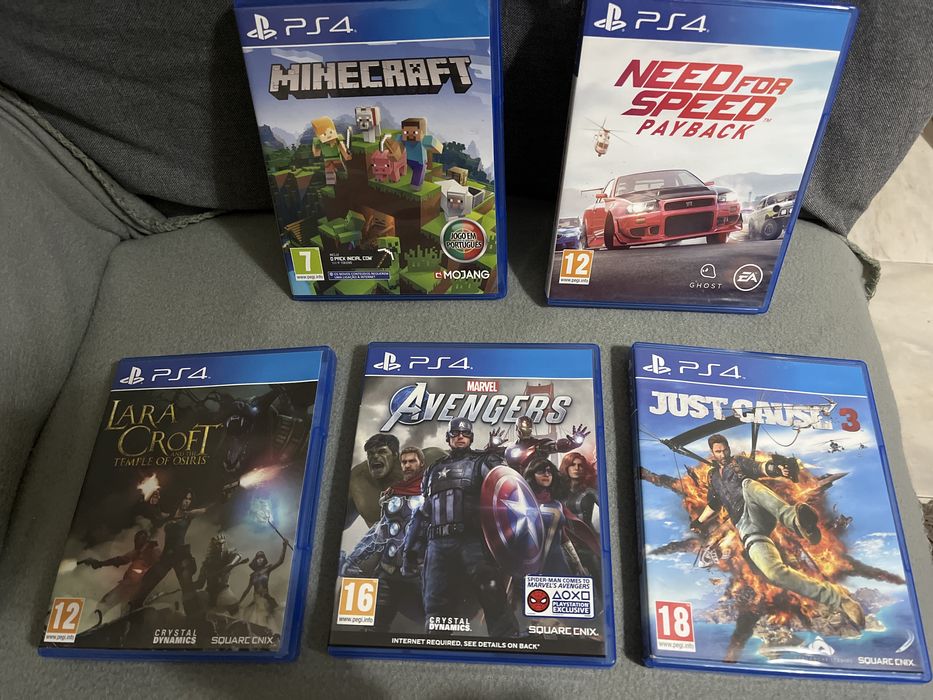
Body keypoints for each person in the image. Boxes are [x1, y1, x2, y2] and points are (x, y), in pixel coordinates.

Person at [692, 434, 865, 628]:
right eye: (718, 451)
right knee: (773, 572)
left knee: (748, 484)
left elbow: (760, 468)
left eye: (725, 450)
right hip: (746, 527)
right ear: (712, 453)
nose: (723, 454)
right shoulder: (713, 477)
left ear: (729, 448)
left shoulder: (738, 462)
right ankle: (840, 600)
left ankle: (796, 522)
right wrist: (698, 521)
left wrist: (778, 469)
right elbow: (714, 504)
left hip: (757, 507)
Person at [401, 418, 518, 637]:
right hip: (437, 544)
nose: (460, 437)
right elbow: (424, 512)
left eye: (464, 434)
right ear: (449, 438)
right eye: (455, 434)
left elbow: (507, 487)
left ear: (471, 437)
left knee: (491, 592)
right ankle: (436, 645)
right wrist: (410, 550)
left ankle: (507, 641)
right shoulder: (433, 469)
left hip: (472, 540)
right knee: (435, 600)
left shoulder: (483, 461)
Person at [343, 446, 427, 631]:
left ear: (421, 463)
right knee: (371, 629)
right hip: (389, 572)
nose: (407, 465)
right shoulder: (393, 494)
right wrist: (354, 559)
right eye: (404, 462)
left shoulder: (434, 492)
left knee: (437, 628)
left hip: (421, 575)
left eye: (412, 461)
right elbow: (380, 532)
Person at [559, 452, 598, 527]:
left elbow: (609, 508)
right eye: (572, 465)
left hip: (586, 532)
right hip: (564, 533)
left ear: (584, 469)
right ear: (566, 467)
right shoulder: (559, 490)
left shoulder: (590, 492)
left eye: (580, 465)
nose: (576, 468)